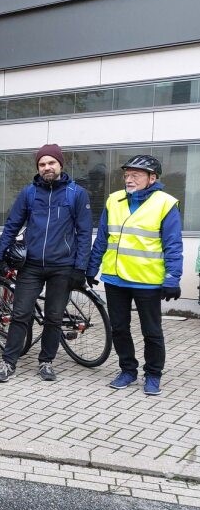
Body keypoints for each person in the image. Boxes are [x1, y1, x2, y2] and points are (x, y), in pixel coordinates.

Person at [0, 144, 92, 383]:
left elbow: (84, 232)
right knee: (20, 313)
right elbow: (12, 225)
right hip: (32, 265)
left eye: (51, 163)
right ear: (38, 167)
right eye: (42, 164)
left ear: (60, 164)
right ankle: (8, 363)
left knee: (54, 317)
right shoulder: (29, 193)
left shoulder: (76, 194)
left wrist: (81, 268)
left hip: (62, 266)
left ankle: (46, 362)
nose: (47, 167)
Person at [86, 155, 182, 396]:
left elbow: (173, 244)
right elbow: (103, 239)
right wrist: (92, 268)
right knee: (119, 328)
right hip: (115, 278)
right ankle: (127, 370)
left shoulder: (165, 203)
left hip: (147, 280)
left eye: (135, 175)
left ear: (152, 178)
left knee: (151, 331)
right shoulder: (113, 200)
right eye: (127, 175)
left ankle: (153, 374)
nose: (129, 179)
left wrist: (172, 278)